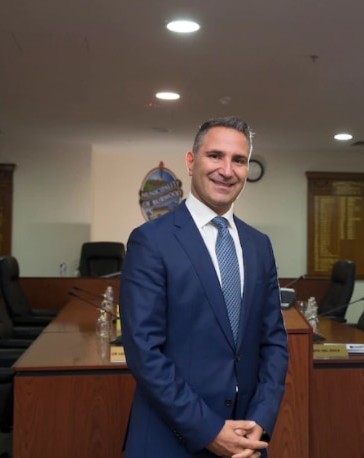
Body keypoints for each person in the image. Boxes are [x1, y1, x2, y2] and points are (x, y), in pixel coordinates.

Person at [119, 116, 289, 458]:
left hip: (246, 442)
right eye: (215, 156)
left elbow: (274, 343)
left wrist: (261, 418)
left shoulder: (259, 245)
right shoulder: (151, 241)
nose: (227, 170)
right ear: (191, 161)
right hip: (171, 440)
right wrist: (209, 430)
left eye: (238, 160)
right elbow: (144, 351)